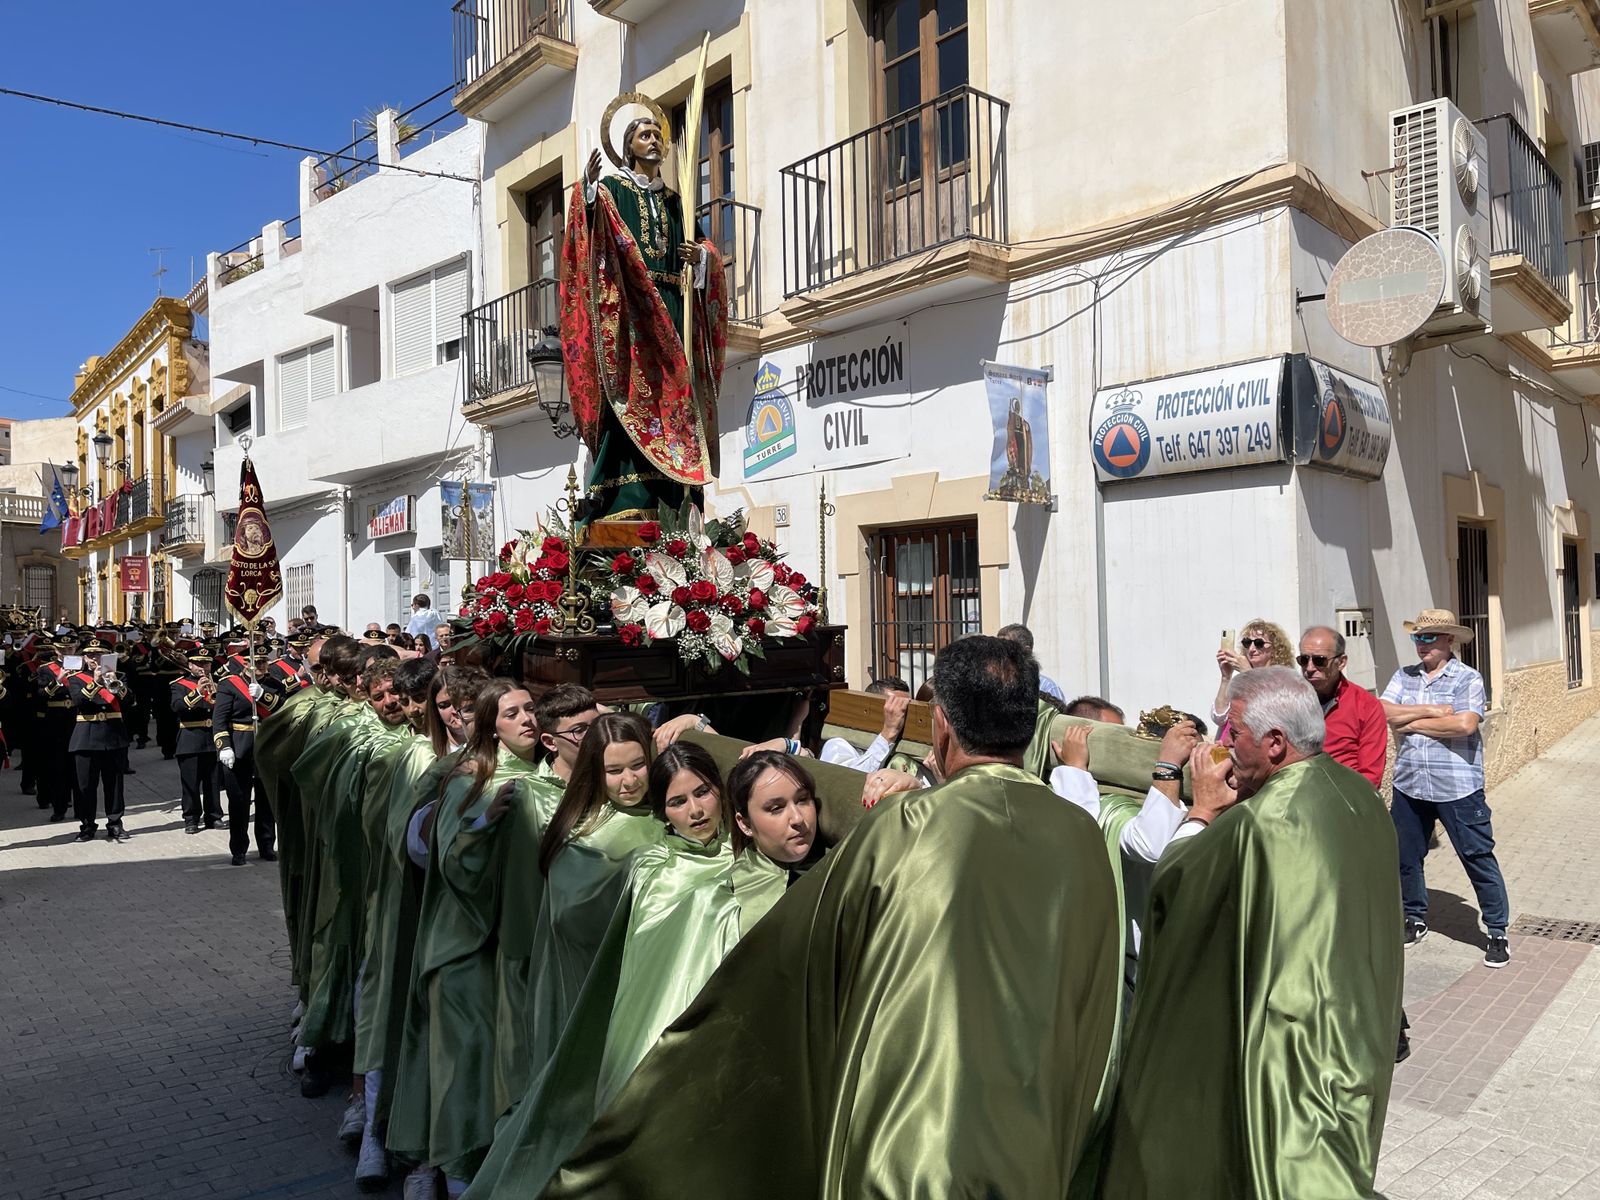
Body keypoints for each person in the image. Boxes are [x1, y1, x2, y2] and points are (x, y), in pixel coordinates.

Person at [539, 635, 1120, 1198]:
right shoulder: (1082, 837)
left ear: (940, 727)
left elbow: (792, 956)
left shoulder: (910, 825)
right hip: (1039, 1138)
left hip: (916, 1140)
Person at [1101, 667, 1404, 1199]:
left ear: (1276, 743)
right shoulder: (1359, 795)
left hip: (1289, 1055)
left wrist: (1200, 811)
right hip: (1358, 1031)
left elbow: (1173, 882)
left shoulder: (1260, 823)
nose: (1223, 748)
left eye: (1233, 735)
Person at [567, 111, 727, 519]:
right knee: (633, 395)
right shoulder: (613, 191)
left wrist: (701, 258)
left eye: (657, 134)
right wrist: (586, 191)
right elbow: (588, 231)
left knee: (676, 395)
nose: (653, 140)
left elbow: (705, 248)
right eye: (644, 135)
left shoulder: (677, 201)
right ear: (628, 147)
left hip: (673, 309)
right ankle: (626, 496)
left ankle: (678, 492)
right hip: (634, 315)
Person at [1380, 607, 1510, 967]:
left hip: (1457, 787)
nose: (1421, 645)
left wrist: (1411, 721)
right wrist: (1437, 712)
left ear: (1448, 639)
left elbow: (1465, 725)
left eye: (1428, 638)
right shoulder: (1403, 676)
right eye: (1416, 637)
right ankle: (1415, 917)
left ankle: (1497, 931)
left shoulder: (1467, 677)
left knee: (1477, 857)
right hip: (1410, 784)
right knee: (1407, 858)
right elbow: (1383, 713)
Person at [1299, 624, 1387, 789]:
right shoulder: (1289, 699)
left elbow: (1371, 775)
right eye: (1304, 660)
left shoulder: (1366, 705)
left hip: (1342, 797)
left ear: (1341, 662)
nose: (1310, 668)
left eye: (1319, 660)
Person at [66, 637, 131, 842]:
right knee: (85, 786)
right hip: (86, 737)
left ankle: (115, 823)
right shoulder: (76, 678)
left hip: (113, 735)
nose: (94, 658)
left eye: (98, 655)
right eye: (90, 655)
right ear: (84, 658)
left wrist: (114, 682)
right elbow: (79, 701)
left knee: (114, 784)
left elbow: (130, 700)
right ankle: (87, 825)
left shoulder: (119, 676)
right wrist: (95, 682)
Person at [214, 651, 274, 865]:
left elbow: (284, 709)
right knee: (239, 802)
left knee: (266, 800)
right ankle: (238, 848)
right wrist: (224, 747)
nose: (261, 665)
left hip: (267, 747)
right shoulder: (229, 685)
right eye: (256, 662)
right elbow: (219, 720)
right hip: (239, 746)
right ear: (245, 663)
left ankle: (267, 844)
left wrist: (263, 694)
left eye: (264, 661)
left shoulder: (273, 683)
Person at [172, 652, 224, 834]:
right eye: (198, 663)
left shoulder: (219, 682)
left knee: (213, 781)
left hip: (212, 737)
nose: (203, 667)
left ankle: (214, 816)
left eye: (207, 664)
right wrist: (197, 692)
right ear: (190, 665)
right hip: (190, 738)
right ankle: (191, 818)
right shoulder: (179, 685)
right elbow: (177, 707)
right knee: (190, 783)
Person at [1211, 617, 1293, 731]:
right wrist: (1226, 677)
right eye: (1247, 643)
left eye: (1259, 643)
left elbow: (1272, 715)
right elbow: (1219, 718)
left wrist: (1249, 673)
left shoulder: (1283, 679)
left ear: (1275, 648)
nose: (1251, 649)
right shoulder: (1241, 680)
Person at [820, 675, 910, 772]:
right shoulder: (837, 746)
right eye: (893, 708)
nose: (899, 716)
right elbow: (853, 780)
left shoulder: (909, 746)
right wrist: (888, 734)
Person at [997, 622, 1066, 700]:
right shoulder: (995, 684)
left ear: (1026, 651)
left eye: (1007, 648)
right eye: (999, 648)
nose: (1000, 654)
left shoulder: (1047, 688)